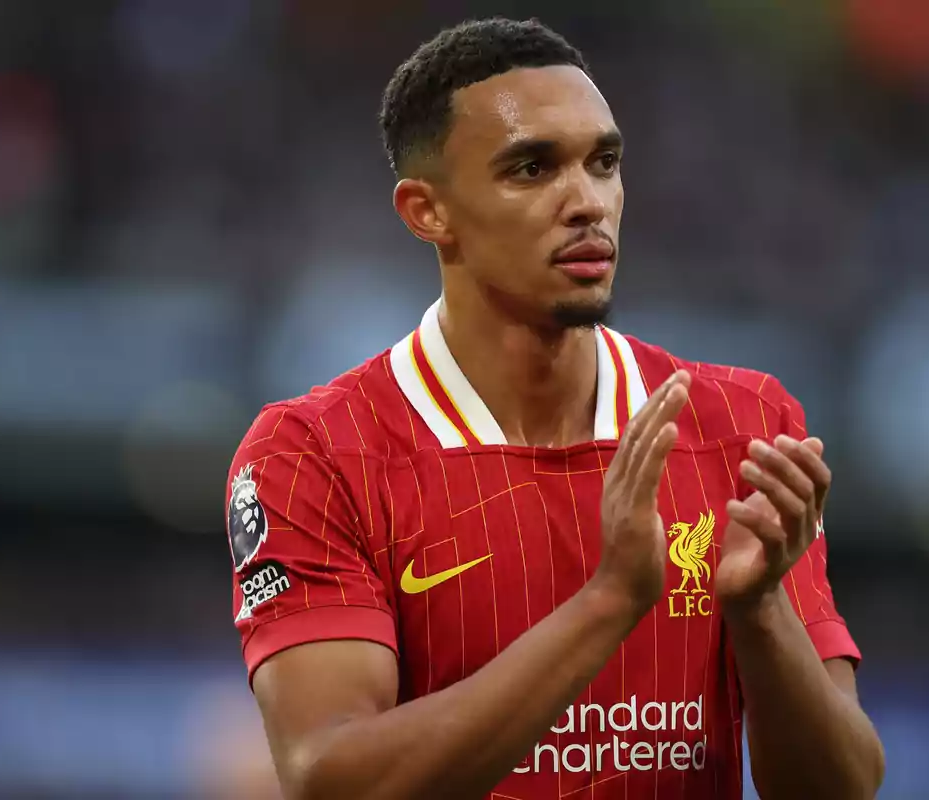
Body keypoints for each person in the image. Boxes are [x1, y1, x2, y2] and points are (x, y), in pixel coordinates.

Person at [225, 17, 884, 800]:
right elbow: (331, 778)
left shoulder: (743, 427)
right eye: (532, 168)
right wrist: (609, 601)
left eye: (604, 163)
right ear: (426, 212)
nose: (587, 203)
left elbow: (840, 789)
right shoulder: (314, 454)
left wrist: (759, 607)